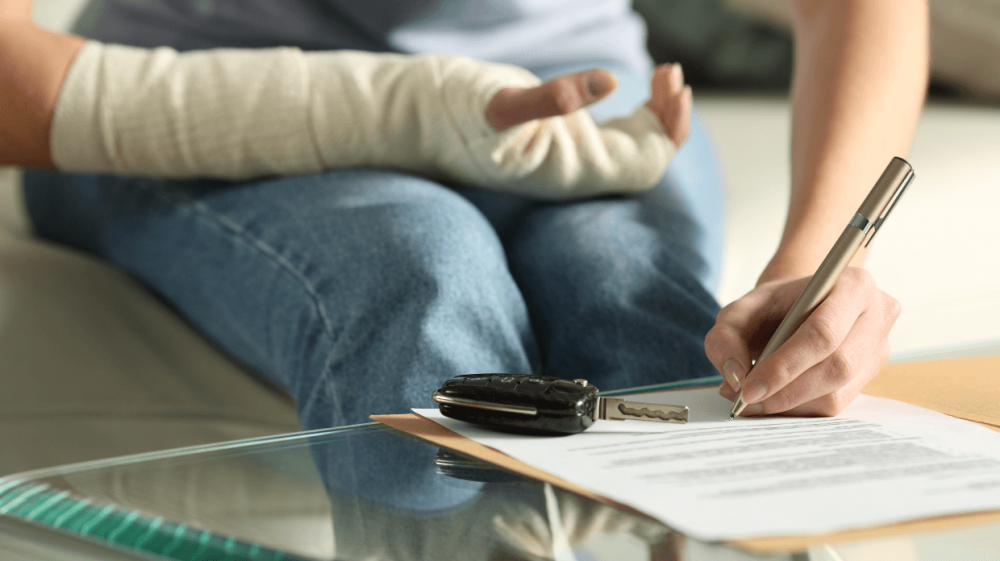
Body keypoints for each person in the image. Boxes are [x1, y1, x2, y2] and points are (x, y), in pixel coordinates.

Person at [0, 0, 927, 432]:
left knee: (649, 324)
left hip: (587, 114)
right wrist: (415, 110)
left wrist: (813, 267)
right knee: (419, 279)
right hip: (190, 112)